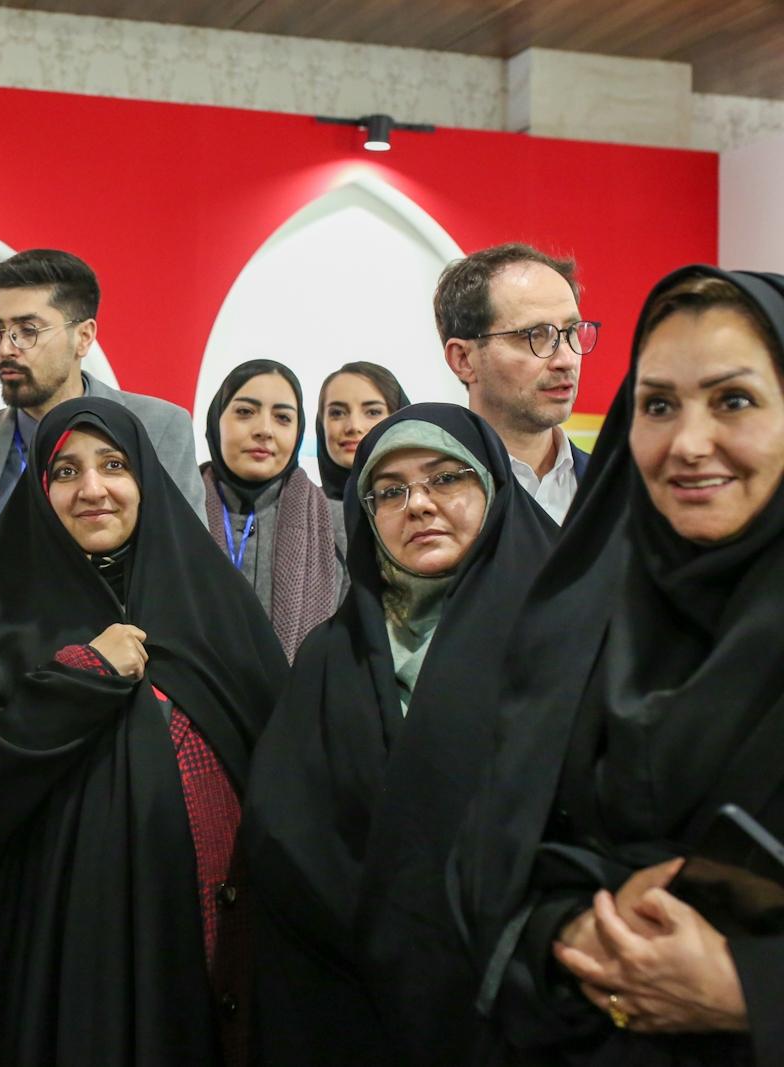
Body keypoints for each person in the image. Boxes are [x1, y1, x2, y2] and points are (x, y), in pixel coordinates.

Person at [453, 266, 784, 1067]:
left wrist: (750, 990)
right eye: (658, 405)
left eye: (734, 401)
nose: (689, 443)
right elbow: (488, 858)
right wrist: (577, 932)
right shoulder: (575, 624)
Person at [0, 396, 288, 1067]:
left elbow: (280, 771)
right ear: (39, 490)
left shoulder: (214, 609)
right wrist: (81, 676)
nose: (93, 489)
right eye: (66, 471)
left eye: (114, 465)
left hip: (200, 951)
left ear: (146, 478)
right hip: (52, 964)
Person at [242, 403, 556, 1067]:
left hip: (529, 997)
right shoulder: (330, 657)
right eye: (389, 491)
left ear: (494, 487)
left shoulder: (565, 637)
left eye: (446, 478)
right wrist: (391, 940)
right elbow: (285, 830)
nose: (418, 505)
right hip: (355, 998)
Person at [0, 248, 206, 581]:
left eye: (28, 330)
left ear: (83, 337)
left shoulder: (158, 427)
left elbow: (187, 566)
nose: (6, 349)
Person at [436, 243, 597, 525]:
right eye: (534, 335)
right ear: (463, 359)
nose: (566, 360)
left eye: (571, 331)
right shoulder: (427, 501)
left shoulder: (621, 489)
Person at [200, 359, 343, 661]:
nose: (264, 430)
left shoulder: (338, 525)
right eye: (245, 412)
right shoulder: (178, 511)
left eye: (282, 417)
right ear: (216, 420)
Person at [315, 361, 410, 552]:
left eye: (372, 412)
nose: (354, 426)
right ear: (321, 424)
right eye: (337, 413)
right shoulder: (299, 510)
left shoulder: (425, 503)